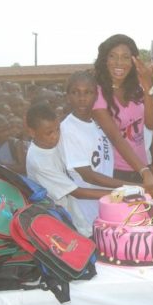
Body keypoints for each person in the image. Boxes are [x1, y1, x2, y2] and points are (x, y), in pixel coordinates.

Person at [92, 34, 153, 196]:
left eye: (125, 57)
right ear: (104, 60)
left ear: (133, 61)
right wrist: (145, 172)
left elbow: (151, 124)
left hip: (141, 170)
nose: (119, 63)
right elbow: (115, 137)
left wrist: (147, 86)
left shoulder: (136, 89)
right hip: (115, 172)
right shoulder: (97, 93)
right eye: (112, 56)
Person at [25, 103, 108, 236]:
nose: (55, 136)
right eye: (49, 133)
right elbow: (77, 192)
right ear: (32, 132)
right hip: (61, 221)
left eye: (57, 129)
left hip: (76, 213)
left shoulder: (52, 142)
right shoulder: (39, 162)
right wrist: (116, 194)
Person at [59, 70, 130, 226]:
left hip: (104, 207)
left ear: (96, 96)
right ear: (67, 96)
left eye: (88, 92)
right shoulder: (68, 129)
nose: (82, 98)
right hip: (85, 214)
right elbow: (88, 176)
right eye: (75, 92)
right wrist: (132, 188)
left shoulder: (97, 123)